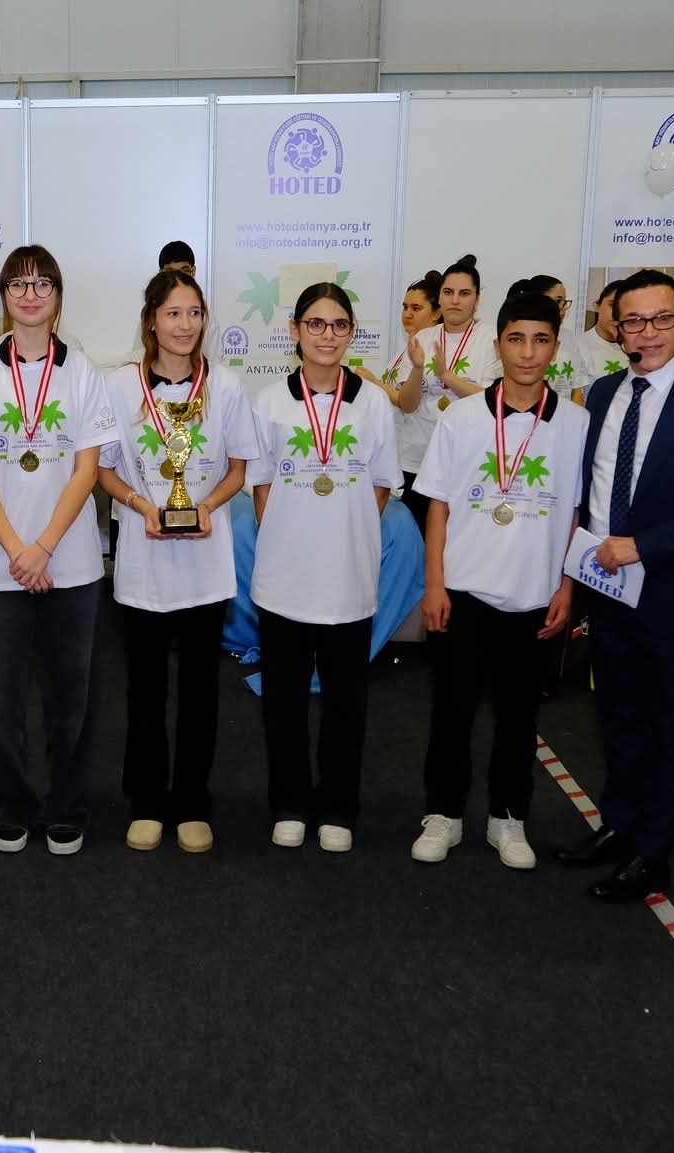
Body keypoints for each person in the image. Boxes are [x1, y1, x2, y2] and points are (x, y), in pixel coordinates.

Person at [556, 269, 674, 900]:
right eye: (633, 321)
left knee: (670, 728)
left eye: (661, 318)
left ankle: (655, 852)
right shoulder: (603, 394)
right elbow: (591, 488)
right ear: (617, 329)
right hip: (608, 590)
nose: (648, 332)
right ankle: (619, 826)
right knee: (617, 715)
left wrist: (643, 545)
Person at [410, 290, 589, 870]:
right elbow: (437, 505)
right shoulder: (461, 418)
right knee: (452, 712)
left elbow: (577, 513)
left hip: (535, 597)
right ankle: (443, 813)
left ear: (555, 349)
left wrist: (566, 586)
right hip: (464, 593)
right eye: (516, 339)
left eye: (540, 340)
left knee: (519, 717)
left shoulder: (577, 425)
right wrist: (435, 585)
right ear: (498, 346)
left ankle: (508, 818)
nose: (528, 352)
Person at [0, 245, 117, 855]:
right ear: (4, 296)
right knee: (0, 698)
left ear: (58, 296)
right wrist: (19, 549)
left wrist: (43, 547)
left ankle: (67, 805)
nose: (30, 294)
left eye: (43, 283)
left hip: (70, 563)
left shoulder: (83, 373)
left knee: (73, 696)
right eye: (18, 284)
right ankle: (13, 803)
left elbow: (87, 470)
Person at [95, 269, 257, 854]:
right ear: (151, 321)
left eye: (194, 313)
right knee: (143, 687)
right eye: (173, 313)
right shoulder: (120, 387)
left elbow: (238, 468)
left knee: (199, 689)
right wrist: (142, 506)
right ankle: (145, 801)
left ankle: (191, 801)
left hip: (204, 562)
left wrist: (206, 506)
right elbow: (103, 469)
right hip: (144, 559)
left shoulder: (226, 387)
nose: (184, 325)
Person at [247, 282, 399, 853]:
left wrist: (343, 529)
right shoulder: (269, 402)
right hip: (284, 578)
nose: (327, 335)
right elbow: (261, 486)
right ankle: (288, 802)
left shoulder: (374, 402)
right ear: (295, 330)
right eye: (315, 323)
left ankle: (338, 806)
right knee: (283, 701)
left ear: (351, 333)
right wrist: (294, 533)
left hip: (347, 578)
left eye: (339, 325)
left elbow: (381, 485)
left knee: (346, 702)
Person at [404, 256, 499, 521]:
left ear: (477, 299)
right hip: (418, 459)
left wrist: (447, 376)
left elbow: (493, 400)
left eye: (464, 293)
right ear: (440, 297)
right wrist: (417, 369)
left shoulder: (492, 339)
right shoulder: (424, 338)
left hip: (468, 460)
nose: (455, 300)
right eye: (448, 292)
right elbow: (408, 405)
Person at [356, 274, 437, 524]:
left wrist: (373, 382)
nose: (407, 314)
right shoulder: (406, 349)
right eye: (405, 307)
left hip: (420, 457)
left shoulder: (432, 350)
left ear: (437, 313)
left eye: (416, 308)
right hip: (401, 453)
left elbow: (405, 401)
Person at [575, 280, 629, 386]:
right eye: (612, 305)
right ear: (597, 306)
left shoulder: (639, 348)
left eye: (626, 307)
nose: (617, 313)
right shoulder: (577, 346)